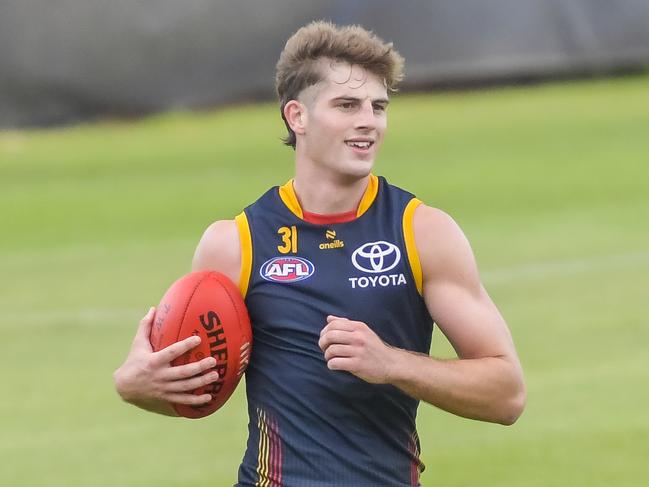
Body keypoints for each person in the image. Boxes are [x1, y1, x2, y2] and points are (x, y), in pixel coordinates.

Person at [114, 21, 526, 486]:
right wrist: (135, 385)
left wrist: (393, 363)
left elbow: (506, 394)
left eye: (378, 106)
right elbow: (195, 387)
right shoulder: (236, 242)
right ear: (297, 116)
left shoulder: (422, 232)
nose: (368, 120)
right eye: (347, 105)